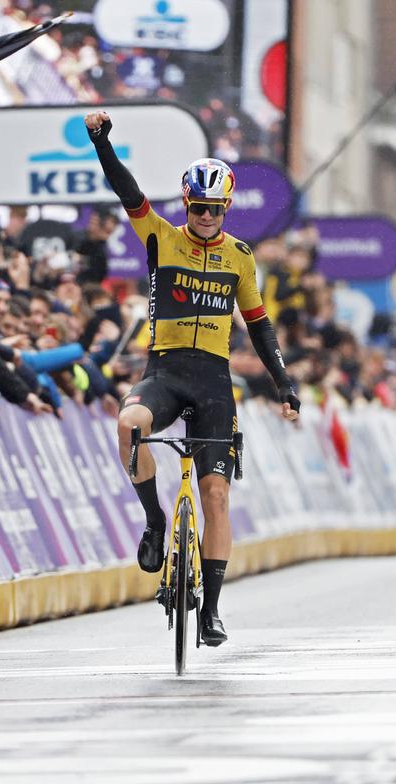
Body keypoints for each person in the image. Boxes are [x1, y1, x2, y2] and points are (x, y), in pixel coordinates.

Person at [85, 109, 300, 647]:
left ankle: (211, 612)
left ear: (226, 208)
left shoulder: (241, 258)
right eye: (199, 208)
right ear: (187, 205)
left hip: (213, 382)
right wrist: (101, 143)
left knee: (217, 496)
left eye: (215, 209)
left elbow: (259, 326)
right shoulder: (160, 237)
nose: (206, 216)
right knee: (131, 424)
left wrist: (284, 384)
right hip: (164, 370)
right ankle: (156, 524)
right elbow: (126, 191)